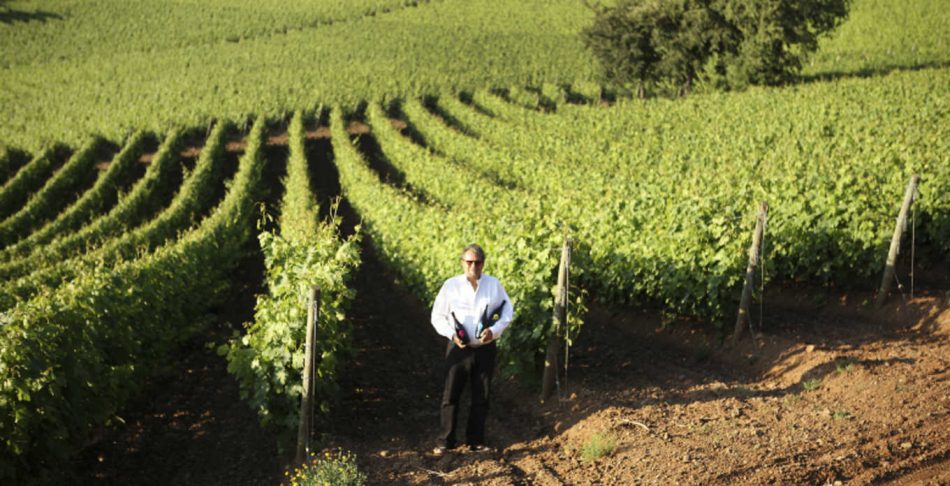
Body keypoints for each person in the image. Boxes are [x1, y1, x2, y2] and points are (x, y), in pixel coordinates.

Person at [430, 244, 514, 455]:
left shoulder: (494, 285)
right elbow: (437, 316)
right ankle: (445, 441)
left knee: (481, 396)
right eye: (469, 262)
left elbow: (507, 311)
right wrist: (452, 335)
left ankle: (475, 441)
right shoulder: (451, 286)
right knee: (451, 394)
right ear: (462, 263)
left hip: (485, 349)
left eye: (477, 262)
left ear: (483, 264)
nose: (473, 266)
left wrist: (494, 331)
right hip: (459, 349)